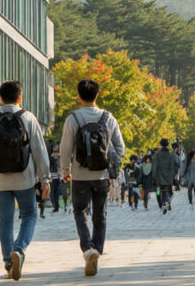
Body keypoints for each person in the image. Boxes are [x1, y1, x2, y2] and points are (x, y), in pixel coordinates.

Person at [0, 80, 50, 281]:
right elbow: (39, 151)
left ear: (0, 98)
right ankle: (18, 249)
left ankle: (8, 262)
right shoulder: (28, 118)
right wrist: (45, 179)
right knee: (29, 214)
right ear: (20, 96)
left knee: (5, 220)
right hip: (24, 178)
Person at [60, 79, 125, 277]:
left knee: (80, 211)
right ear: (97, 95)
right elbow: (120, 148)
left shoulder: (73, 119)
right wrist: (110, 161)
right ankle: (97, 249)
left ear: (79, 96)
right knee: (100, 214)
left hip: (79, 175)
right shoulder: (108, 118)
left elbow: (65, 148)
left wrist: (65, 171)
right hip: (102, 176)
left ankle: (88, 249)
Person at [151, 138, 178, 214]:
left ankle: (163, 204)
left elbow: (155, 166)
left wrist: (154, 175)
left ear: (161, 144)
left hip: (160, 175)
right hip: (169, 174)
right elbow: (173, 165)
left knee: (160, 190)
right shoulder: (171, 154)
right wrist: (173, 174)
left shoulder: (157, 154)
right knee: (168, 190)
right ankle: (168, 201)